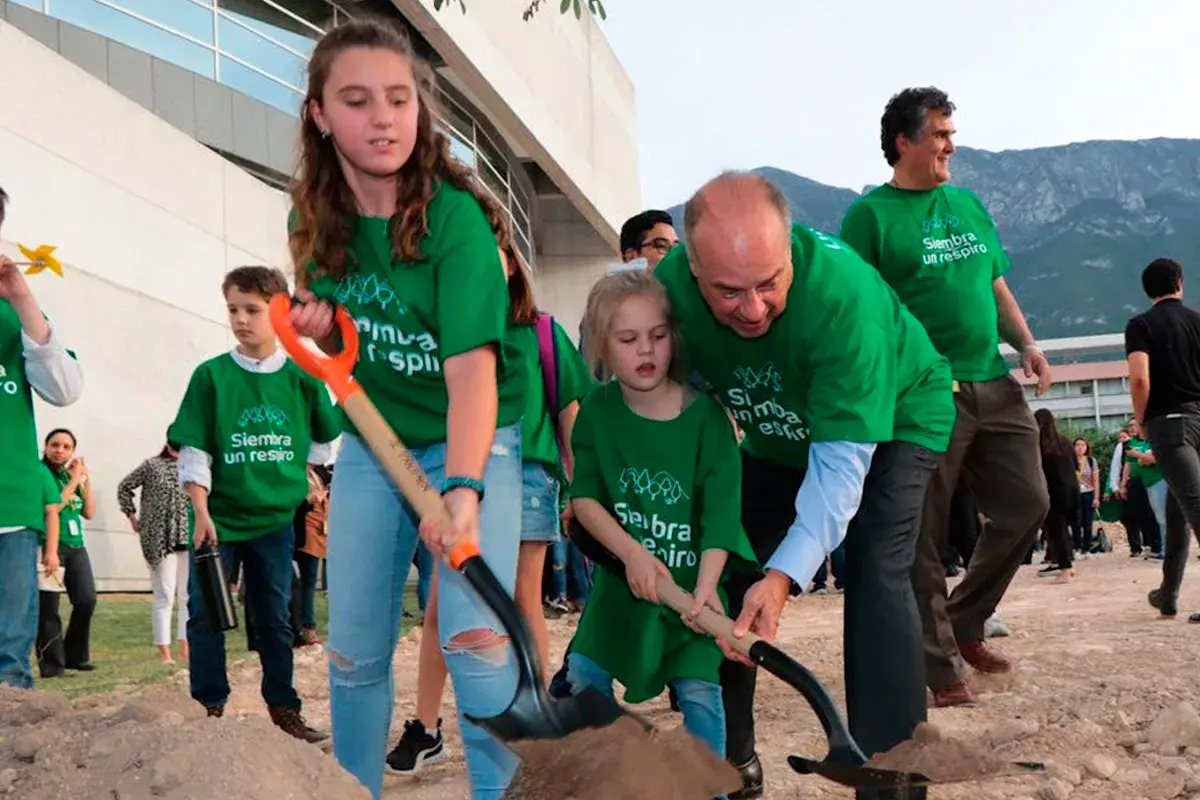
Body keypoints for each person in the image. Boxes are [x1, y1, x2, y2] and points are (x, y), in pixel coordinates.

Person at [655, 170, 956, 800]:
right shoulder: (667, 294)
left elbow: (840, 469)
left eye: (770, 284)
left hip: (900, 416)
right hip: (778, 433)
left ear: (790, 248)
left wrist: (785, 576)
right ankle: (730, 761)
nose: (755, 310)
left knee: (876, 565)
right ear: (692, 270)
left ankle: (890, 775)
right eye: (729, 293)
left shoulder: (844, 299)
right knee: (728, 559)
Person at [285, 18, 526, 800]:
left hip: (473, 435)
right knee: (353, 650)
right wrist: (321, 325)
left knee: (478, 640)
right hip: (374, 445)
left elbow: (471, 378)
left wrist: (462, 491)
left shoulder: (456, 220)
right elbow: (335, 334)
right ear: (320, 115)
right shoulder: (314, 222)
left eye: (398, 98)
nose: (382, 118)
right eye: (356, 101)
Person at [838, 87, 1052, 709]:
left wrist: (1028, 345)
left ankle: (964, 619)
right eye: (938, 134)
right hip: (927, 391)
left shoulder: (966, 204)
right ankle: (939, 665)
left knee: (1028, 504)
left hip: (993, 379)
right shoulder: (869, 217)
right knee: (924, 535)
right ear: (904, 142)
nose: (950, 145)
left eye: (951, 133)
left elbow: (994, 283)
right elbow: (862, 309)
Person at [385, 216, 592, 776]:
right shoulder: (445, 331)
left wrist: (579, 490)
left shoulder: (543, 332)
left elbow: (570, 411)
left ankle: (536, 714)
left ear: (510, 261)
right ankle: (427, 728)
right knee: (439, 606)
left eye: (491, 253)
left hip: (529, 473)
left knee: (525, 600)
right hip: (458, 476)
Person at [566, 268, 755, 775]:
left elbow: (721, 516)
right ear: (603, 347)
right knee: (583, 674)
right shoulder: (598, 413)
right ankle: (612, 775)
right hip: (625, 586)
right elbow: (585, 498)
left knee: (700, 693)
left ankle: (707, 788)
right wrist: (631, 553)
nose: (645, 351)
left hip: (695, 588)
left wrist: (708, 589)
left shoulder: (708, 421)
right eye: (628, 340)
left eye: (658, 336)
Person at [169, 265, 340, 743]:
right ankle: (210, 708)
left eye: (253, 310)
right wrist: (200, 513)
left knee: (274, 616)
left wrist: (306, 477)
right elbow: (195, 451)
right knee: (205, 612)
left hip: (274, 523)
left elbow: (325, 441)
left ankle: (284, 709)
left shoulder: (303, 376)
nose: (241, 319)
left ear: (279, 312)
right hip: (216, 522)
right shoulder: (211, 376)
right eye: (233, 309)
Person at [0, 182, 84, 689]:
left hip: (9, 508)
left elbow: (65, 389)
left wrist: (23, 298)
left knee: (9, 664)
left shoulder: (17, 313)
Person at [1125, 258, 1200, 621]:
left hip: (1169, 425)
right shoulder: (1198, 321)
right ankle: (1167, 593)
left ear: (1147, 290)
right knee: (1179, 509)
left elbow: (1140, 380)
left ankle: (1170, 592)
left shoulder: (1140, 325)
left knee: (1194, 503)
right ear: (1179, 284)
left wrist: (1141, 420)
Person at [118, 440, 192, 663]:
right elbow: (125, 486)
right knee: (165, 595)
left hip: (187, 537)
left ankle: (186, 650)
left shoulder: (195, 467)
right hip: (159, 538)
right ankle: (165, 653)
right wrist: (132, 516)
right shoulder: (152, 466)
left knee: (186, 596)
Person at [36, 428, 98, 676]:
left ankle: (75, 656)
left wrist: (85, 479)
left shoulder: (67, 476)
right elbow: (54, 506)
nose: (60, 450)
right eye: (55, 445)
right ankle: (52, 665)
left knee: (86, 600)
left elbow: (89, 513)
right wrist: (74, 481)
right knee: (48, 607)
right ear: (46, 447)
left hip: (75, 546)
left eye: (66, 447)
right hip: (50, 545)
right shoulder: (42, 474)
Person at [1033, 411, 1076, 583]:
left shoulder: (1040, 444)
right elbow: (1075, 463)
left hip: (1053, 490)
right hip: (1071, 488)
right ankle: (1069, 566)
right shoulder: (1064, 441)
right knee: (1064, 529)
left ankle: (1065, 570)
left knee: (1057, 530)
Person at [292, 464, 330, 647]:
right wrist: (311, 499)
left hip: (317, 531)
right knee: (306, 581)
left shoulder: (316, 473)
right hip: (302, 531)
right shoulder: (295, 470)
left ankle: (305, 625)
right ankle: (307, 626)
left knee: (308, 580)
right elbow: (294, 501)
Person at [1072, 438, 1100, 556]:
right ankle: (1077, 547)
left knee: (1088, 522)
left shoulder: (1091, 461)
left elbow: (1096, 481)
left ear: (1087, 447)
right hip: (1074, 494)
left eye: (1083, 445)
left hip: (1088, 493)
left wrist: (1096, 497)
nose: (1080, 447)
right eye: (1077, 445)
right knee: (1076, 522)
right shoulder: (1070, 461)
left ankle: (1087, 549)